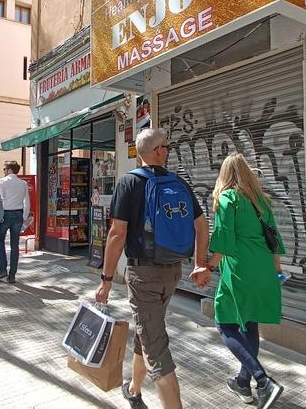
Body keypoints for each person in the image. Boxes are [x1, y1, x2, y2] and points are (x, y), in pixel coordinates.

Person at [95, 128, 209, 409]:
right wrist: (199, 263)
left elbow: (117, 234)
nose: (168, 150)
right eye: (166, 146)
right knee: (147, 330)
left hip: (143, 275)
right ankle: (134, 390)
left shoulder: (128, 183)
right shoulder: (178, 182)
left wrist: (107, 279)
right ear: (158, 151)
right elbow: (202, 225)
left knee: (156, 349)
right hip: (172, 272)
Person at [190, 153, 285, 409]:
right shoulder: (261, 201)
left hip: (239, 268)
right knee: (249, 323)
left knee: (225, 323)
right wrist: (276, 270)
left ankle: (262, 380)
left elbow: (223, 238)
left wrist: (208, 266)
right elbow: (274, 240)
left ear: (224, 174)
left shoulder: (227, 198)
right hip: (263, 267)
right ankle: (243, 382)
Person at [0, 160, 30, 284]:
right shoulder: (23, 183)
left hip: (5, 213)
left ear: (9, 169)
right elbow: (27, 201)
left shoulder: (2, 182)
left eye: (4, 169)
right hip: (18, 214)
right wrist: (25, 216)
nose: (4, 171)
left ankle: (2, 269)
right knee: (14, 245)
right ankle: (12, 275)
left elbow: (0, 199)